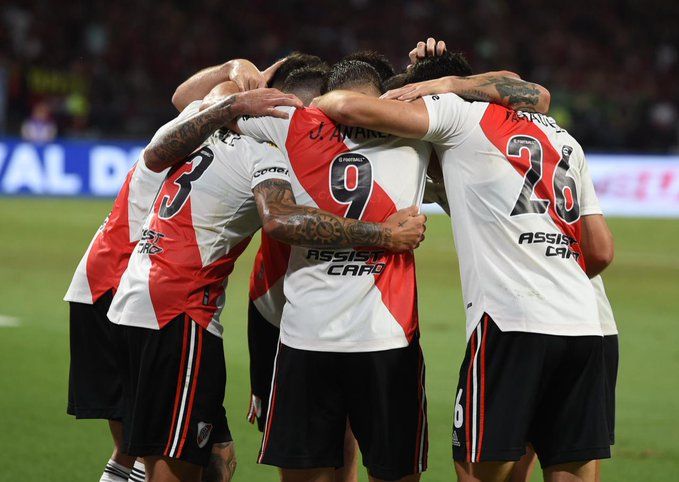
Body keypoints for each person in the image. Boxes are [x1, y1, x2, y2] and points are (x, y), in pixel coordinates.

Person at [315, 52, 615, 482]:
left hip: (511, 322)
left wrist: (305, 108)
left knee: (474, 468)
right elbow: (600, 250)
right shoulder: (564, 139)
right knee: (569, 466)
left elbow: (347, 106)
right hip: (586, 327)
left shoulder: (455, 113)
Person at [106, 84, 425, 482]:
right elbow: (278, 220)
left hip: (130, 301)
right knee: (175, 464)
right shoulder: (269, 150)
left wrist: (230, 102)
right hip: (178, 311)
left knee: (186, 455)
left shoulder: (208, 126)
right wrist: (385, 236)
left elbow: (153, 154)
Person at [220, 59, 433, 482]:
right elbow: (519, 92)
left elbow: (203, 106)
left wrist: (241, 75)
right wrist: (438, 76)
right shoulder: (417, 128)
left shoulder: (289, 123)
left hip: (306, 339)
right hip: (387, 338)